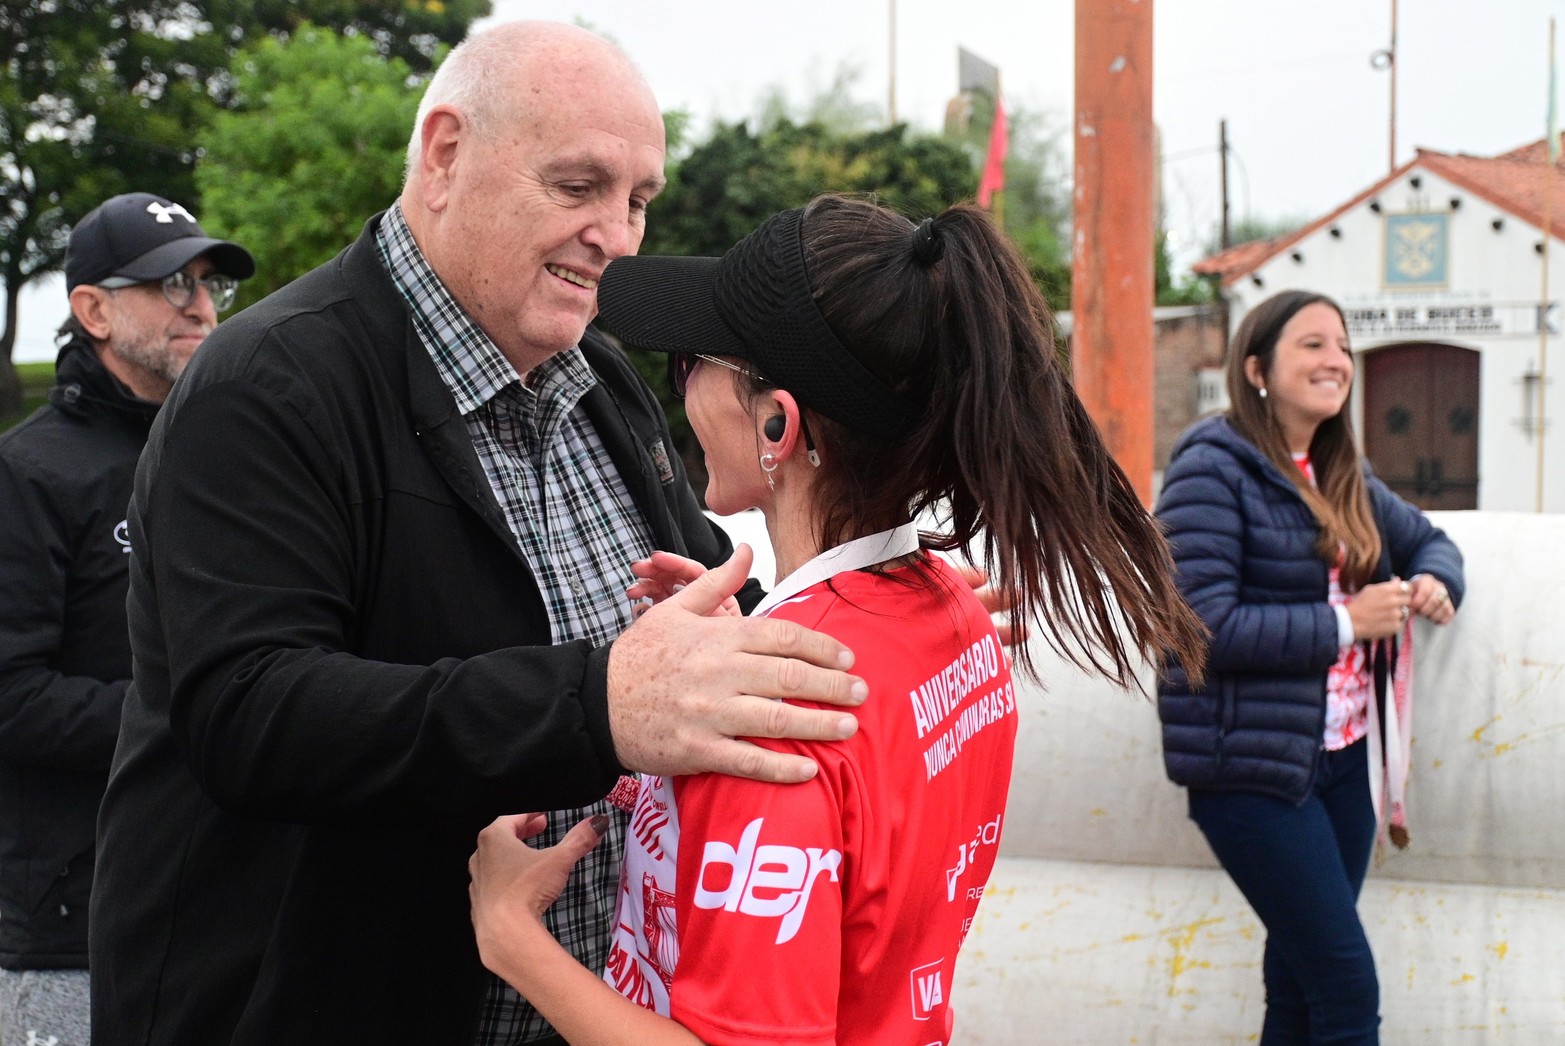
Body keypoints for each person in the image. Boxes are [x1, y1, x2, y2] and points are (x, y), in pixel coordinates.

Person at [86, 23, 884, 1046]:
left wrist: (858, 621)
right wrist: (597, 704)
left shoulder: (600, 381)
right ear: (445, 155)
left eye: (637, 201)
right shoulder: (266, 384)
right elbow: (249, 712)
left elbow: (709, 602)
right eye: (577, 186)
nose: (616, 236)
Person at [467, 195, 1210, 1045]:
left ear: (777, 422)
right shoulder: (951, 611)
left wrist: (510, 935)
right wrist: (742, 635)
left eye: (690, 364)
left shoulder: (775, 718)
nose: (685, 391)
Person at [1155, 289, 1464, 1045]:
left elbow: (1430, 541)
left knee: (1297, 985)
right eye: (1312, 344)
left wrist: (1435, 581)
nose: (1336, 361)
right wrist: (1346, 622)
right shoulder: (1210, 468)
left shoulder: (1338, 470)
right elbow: (1199, 626)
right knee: (1346, 989)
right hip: (1250, 772)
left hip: (1344, 763)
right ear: (1256, 369)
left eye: (1343, 347)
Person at [0, 192, 252, 1046]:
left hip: (223, 903)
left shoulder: (226, 454)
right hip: (74, 922)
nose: (201, 306)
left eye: (210, 283)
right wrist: (206, 713)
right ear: (93, 310)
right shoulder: (27, 473)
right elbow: (11, 696)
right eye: (170, 284)